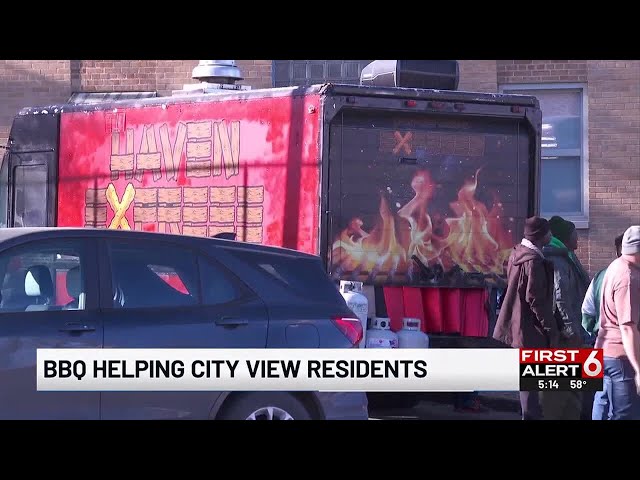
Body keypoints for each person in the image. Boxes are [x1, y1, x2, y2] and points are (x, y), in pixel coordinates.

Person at [493, 216, 556, 420]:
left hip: (518, 325)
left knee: (527, 381)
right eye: (548, 232)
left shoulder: (517, 254)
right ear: (539, 236)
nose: (551, 235)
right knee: (530, 384)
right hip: (531, 329)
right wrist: (550, 327)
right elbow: (535, 299)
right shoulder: (533, 261)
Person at [543, 216, 591, 420]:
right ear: (564, 237)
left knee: (574, 389)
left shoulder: (567, 257)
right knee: (558, 394)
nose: (578, 241)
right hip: (565, 335)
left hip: (573, 331)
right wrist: (572, 330)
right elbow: (561, 298)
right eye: (575, 236)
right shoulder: (558, 260)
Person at [593, 226, 640, 420]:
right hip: (621, 358)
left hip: (604, 352)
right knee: (624, 414)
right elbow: (628, 327)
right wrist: (638, 368)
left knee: (603, 408)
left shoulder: (615, 266)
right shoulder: (628, 277)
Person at [585, 233, 624, 420]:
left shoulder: (601, 276)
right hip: (623, 348)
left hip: (601, 344)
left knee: (601, 394)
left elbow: (586, 313)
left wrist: (596, 331)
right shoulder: (630, 277)